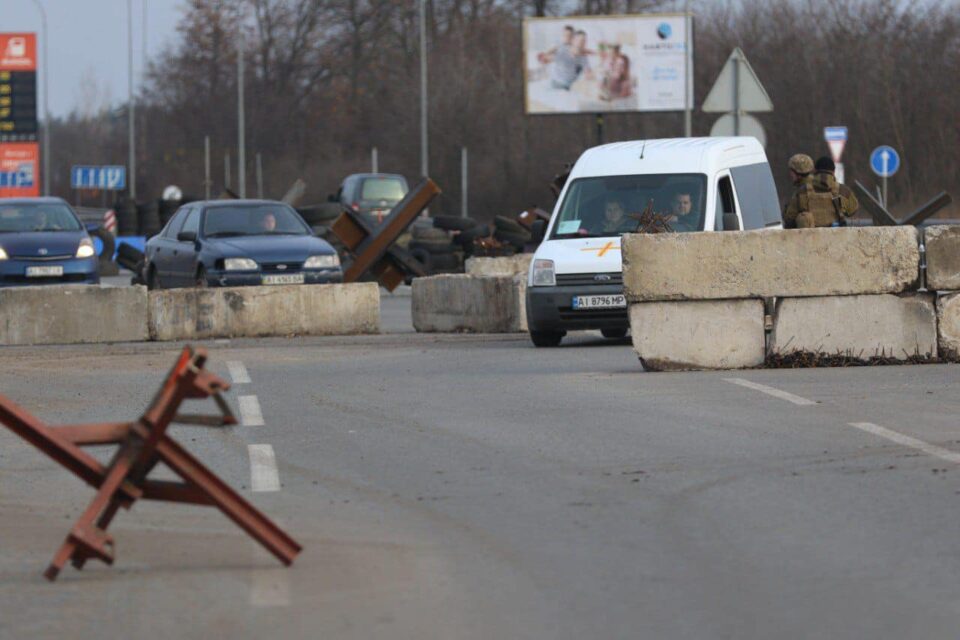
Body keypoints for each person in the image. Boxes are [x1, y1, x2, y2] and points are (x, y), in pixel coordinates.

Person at [811, 156, 859, 224]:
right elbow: (852, 210)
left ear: (815, 171)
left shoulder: (803, 191)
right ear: (833, 172)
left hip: (810, 234)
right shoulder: (844, 191)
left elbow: (791, 216)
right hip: (836, 233)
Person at [782, 154, 816, 228]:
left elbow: (789, 218)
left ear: (798, 174)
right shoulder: (819, 185)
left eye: (792, 172)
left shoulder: (801, 192)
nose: (791, 174)